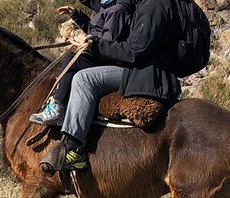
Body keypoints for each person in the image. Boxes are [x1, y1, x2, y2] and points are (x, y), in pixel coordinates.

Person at [40, 0, 181, 174]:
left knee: (84, 79)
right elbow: (100, 21)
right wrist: (80, 20)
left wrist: (93, 43)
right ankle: (60, 107)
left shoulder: (147, 7)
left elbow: (133, 51)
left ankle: (75, 148)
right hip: (135, 66)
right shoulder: (134, 5)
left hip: (142, 72)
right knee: (75, 64)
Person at [29, 0, 135, 128]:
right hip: (100, 54)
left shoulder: (118, 11)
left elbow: (107, 41)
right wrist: (76, 14)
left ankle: (58, 108)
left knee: (73, 62)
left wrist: (87, 42)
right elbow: (93, 29)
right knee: (69, 61)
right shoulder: (108, 8)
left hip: (108, 59)